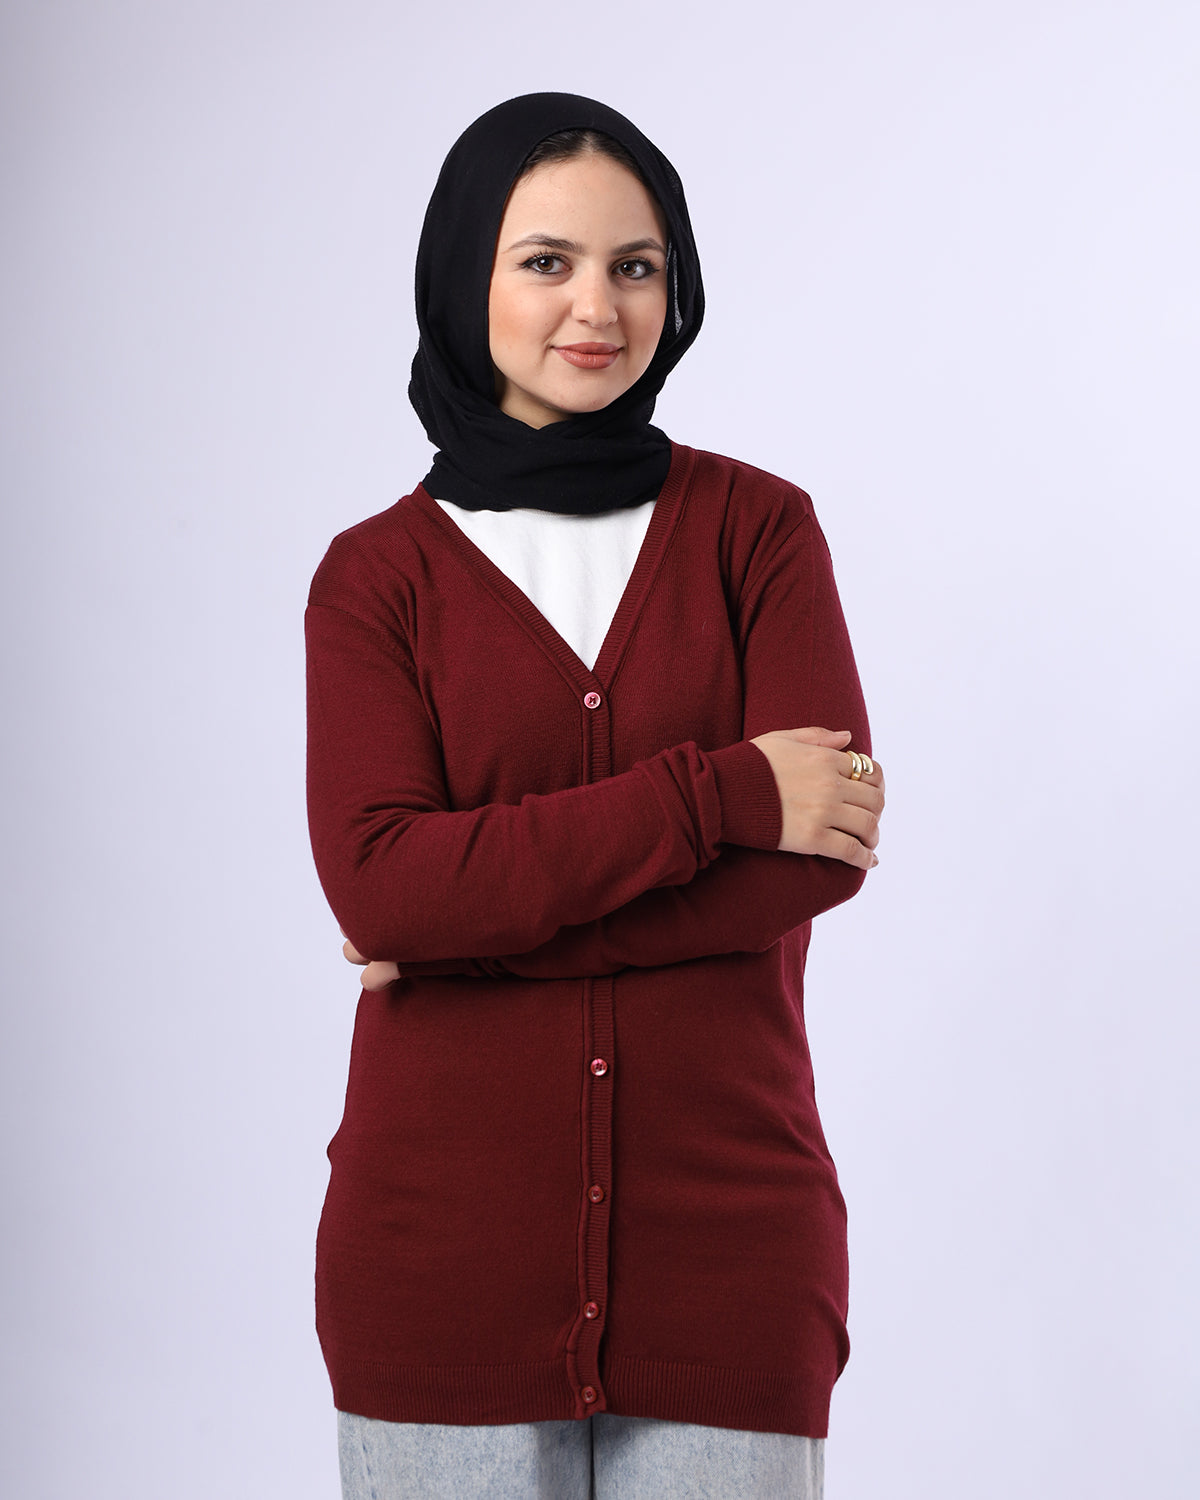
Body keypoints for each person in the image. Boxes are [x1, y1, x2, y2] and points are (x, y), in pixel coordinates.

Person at [306, 92, 884, 1500]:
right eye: (546, 261)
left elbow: (820, 855)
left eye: (637, 265)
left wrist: (474, 923)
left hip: (731, 1255)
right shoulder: (378, 579)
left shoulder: (759, 532)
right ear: (466, 277)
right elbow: (384, 886)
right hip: (438, 1259)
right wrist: (722, 793)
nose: (597, 308)